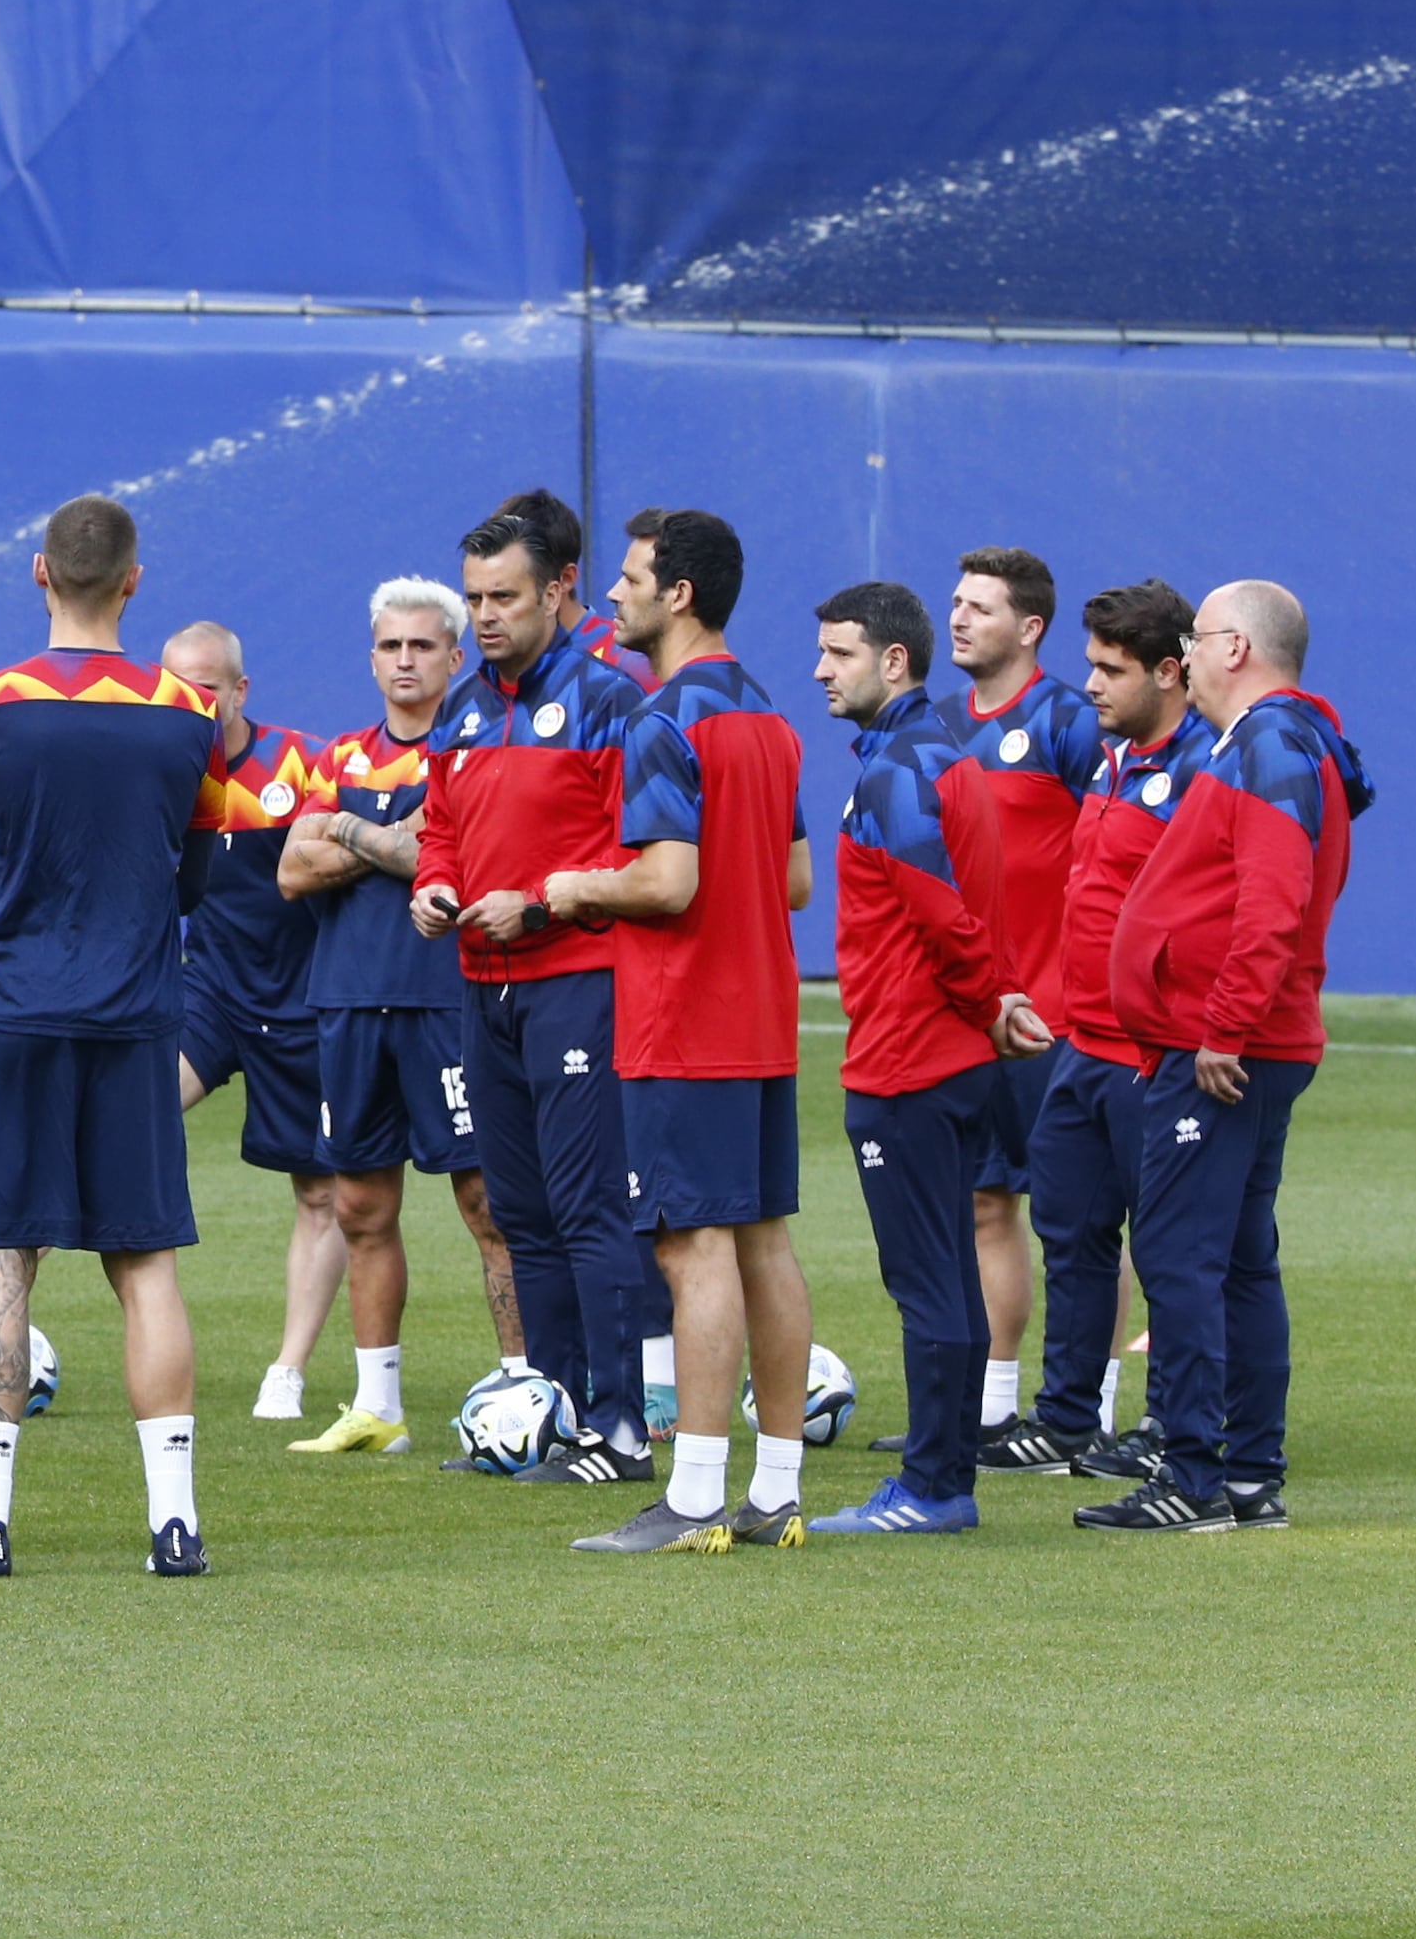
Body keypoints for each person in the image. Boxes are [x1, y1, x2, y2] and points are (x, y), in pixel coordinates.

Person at [0, 498, 226, 1582]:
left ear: (38, 572)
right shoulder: (189, 714)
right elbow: (200, 872)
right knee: (144, 1268)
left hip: (11, 1011)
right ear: (134, 581)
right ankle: (172, 1524)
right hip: (135, 1013)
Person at [545, 509, 814, 1553]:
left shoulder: (661, 721)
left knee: (690, 1248)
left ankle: (695, 1495)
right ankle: (775, 1490)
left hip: (682, 1021)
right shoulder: (767, 716)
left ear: (678, 595)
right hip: (758, 1016)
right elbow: (792, 881)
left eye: (626, 580)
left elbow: (666, 881)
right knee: (760, 1245)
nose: (609, 597)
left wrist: (578, 886)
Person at [1079, 581, 1370, 1534]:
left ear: (1236, 647)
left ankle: (1197, 1475)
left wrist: (1222, 1027)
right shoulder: (1277, 739)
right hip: (1229, 1038)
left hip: (1226, 1050)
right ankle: (1246, 1475)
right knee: (1240, 1258)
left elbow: (1274, 897)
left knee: (1180, 1250)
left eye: (1198, 638)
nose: (1188, 654)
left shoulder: (1272, 741)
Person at [409, 491, 662, 1471]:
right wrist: (432, 886)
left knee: (588, 1207)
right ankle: (558, 1418)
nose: (483, 616)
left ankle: (624, 1424)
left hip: (576, 978)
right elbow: (440, 828)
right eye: (473, 596)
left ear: (559, 589)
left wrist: (542, 905)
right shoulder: (463, 708)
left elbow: (630, 853)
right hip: (481, 984)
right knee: (518, 1213)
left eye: (502, 596)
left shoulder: (608, 704)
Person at [273, 577, 506, 1455]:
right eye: (390, 646)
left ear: (455, 655)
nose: (405, 660)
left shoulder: (476, 748)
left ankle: (524, 1388)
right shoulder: (337, 759)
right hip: (347, 1003)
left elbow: (444, 858)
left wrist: (346, 834)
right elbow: (291, 874)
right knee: (359, 1207)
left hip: (447, 1002)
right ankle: (379, 1407)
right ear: (371, 657)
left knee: (488, 1202)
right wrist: (385, 840)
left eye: (422, 646)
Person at [807, 582, 1003, 1537]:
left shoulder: (898, 770)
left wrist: (981, 1000)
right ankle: (947, 1478)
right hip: (945, 1052)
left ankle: (931, 1488)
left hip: (908, 1060)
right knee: (951, 1273)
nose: (820, 670)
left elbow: (945, 920)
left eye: (839, 653)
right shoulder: (938, 755)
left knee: (927, 1278)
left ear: (894, 660)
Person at [1011, 579, 1206, 1476]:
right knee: (1071, 1234)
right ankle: (1065, 1418)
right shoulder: (1112, 759)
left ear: (1171, 672)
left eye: (1109, 668)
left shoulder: (1206, 770)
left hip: (1152, 1052)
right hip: (1080, 1041)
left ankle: (1176, 1426)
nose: (1087, 684)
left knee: (1169, 1248)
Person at [931, 546, 1100, 1466]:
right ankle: (995, 1408)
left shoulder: (1072, 722)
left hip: (1062, 1019)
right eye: (955, 603)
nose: (958, 619)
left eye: (980, 607)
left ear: (1029, 627)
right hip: (975, 1015)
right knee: (986, 1205)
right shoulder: (944, 723)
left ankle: (1092, 1407)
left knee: (1081, 1218)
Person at [162, 621, 331, 1427]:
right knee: (126, 1117)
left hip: (304, 1003)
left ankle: (288, 1370)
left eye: (208, 686)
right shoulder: (154, 768)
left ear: (240, 689)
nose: (194, 702)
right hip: (211, 994)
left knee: (321, 1190)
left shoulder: (304, 764)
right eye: (179, 687)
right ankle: (9, 1315)